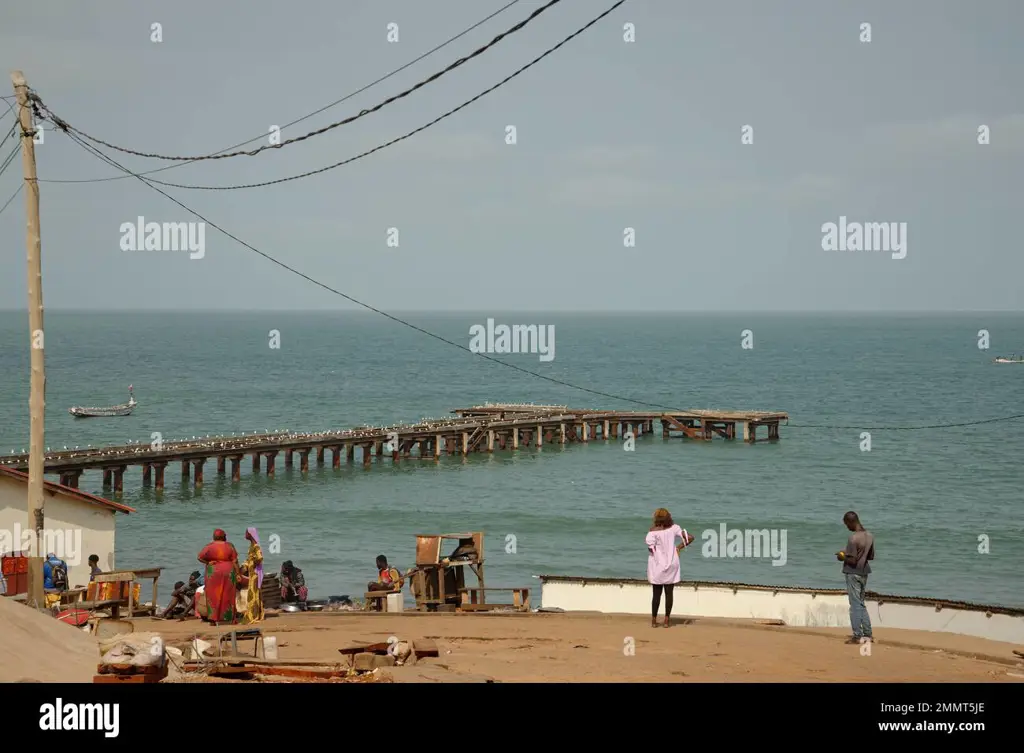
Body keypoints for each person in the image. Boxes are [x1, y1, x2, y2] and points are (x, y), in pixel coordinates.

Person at [645, 508, 693, 628]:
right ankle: (666, 621)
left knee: (656, 594)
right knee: (669, 593)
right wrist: (679, 547)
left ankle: (654, 621)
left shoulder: (652, 532)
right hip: (672, 563)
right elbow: (690, 537)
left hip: (657, 565)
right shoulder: (674, 528)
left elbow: (651, 549)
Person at [837, 511, 875, 644]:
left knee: (854, 605)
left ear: (851, 522)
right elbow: (871, 556)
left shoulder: (853, 538)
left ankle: (857, 635)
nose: (847, 527)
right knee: (861, 603)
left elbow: (852, 560)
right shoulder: (869, 536)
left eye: (847, 524)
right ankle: (868, 634)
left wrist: (842, 556)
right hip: (864, 572)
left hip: (853, 573)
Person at [197, 529, 241, 626]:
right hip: (228, 572)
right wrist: (238, 574)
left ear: (214, 537)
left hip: (213, 573)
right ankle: (229, 618)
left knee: (213, 595)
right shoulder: (230, 546)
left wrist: (208, 562)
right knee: (228, 595)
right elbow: (235, 561)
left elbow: (199, 557)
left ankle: (213, 619)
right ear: (224, 536)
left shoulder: (209, 546)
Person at [242, 527, 264, 624]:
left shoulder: (256, 546)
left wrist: (253, 564)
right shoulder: (252, 546)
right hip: (252, 573)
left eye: (246, 532)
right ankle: (256, 614)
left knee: (253, 594)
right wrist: (245, 566)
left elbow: (260, 557)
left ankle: (254, 615)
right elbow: (250, 559)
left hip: (255, 573)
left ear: (250, 534)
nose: (245, 534)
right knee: (254, 594)